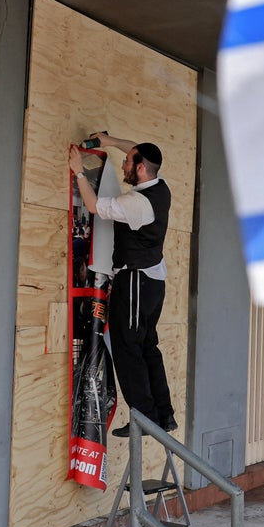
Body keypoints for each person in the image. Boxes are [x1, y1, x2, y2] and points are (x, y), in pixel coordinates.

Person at [68, 133, 176, 437]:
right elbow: (139, 151)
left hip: (136, 282)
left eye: (129, 162)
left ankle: (144, 417)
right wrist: (110, 141)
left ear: (141, 168)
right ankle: (163, 415)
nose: (125, 164)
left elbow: (91, 204)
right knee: (147, 346)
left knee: (128, 349)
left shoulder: (135, 203)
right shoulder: (160, 186)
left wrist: (78, 169)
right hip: (152, 282)